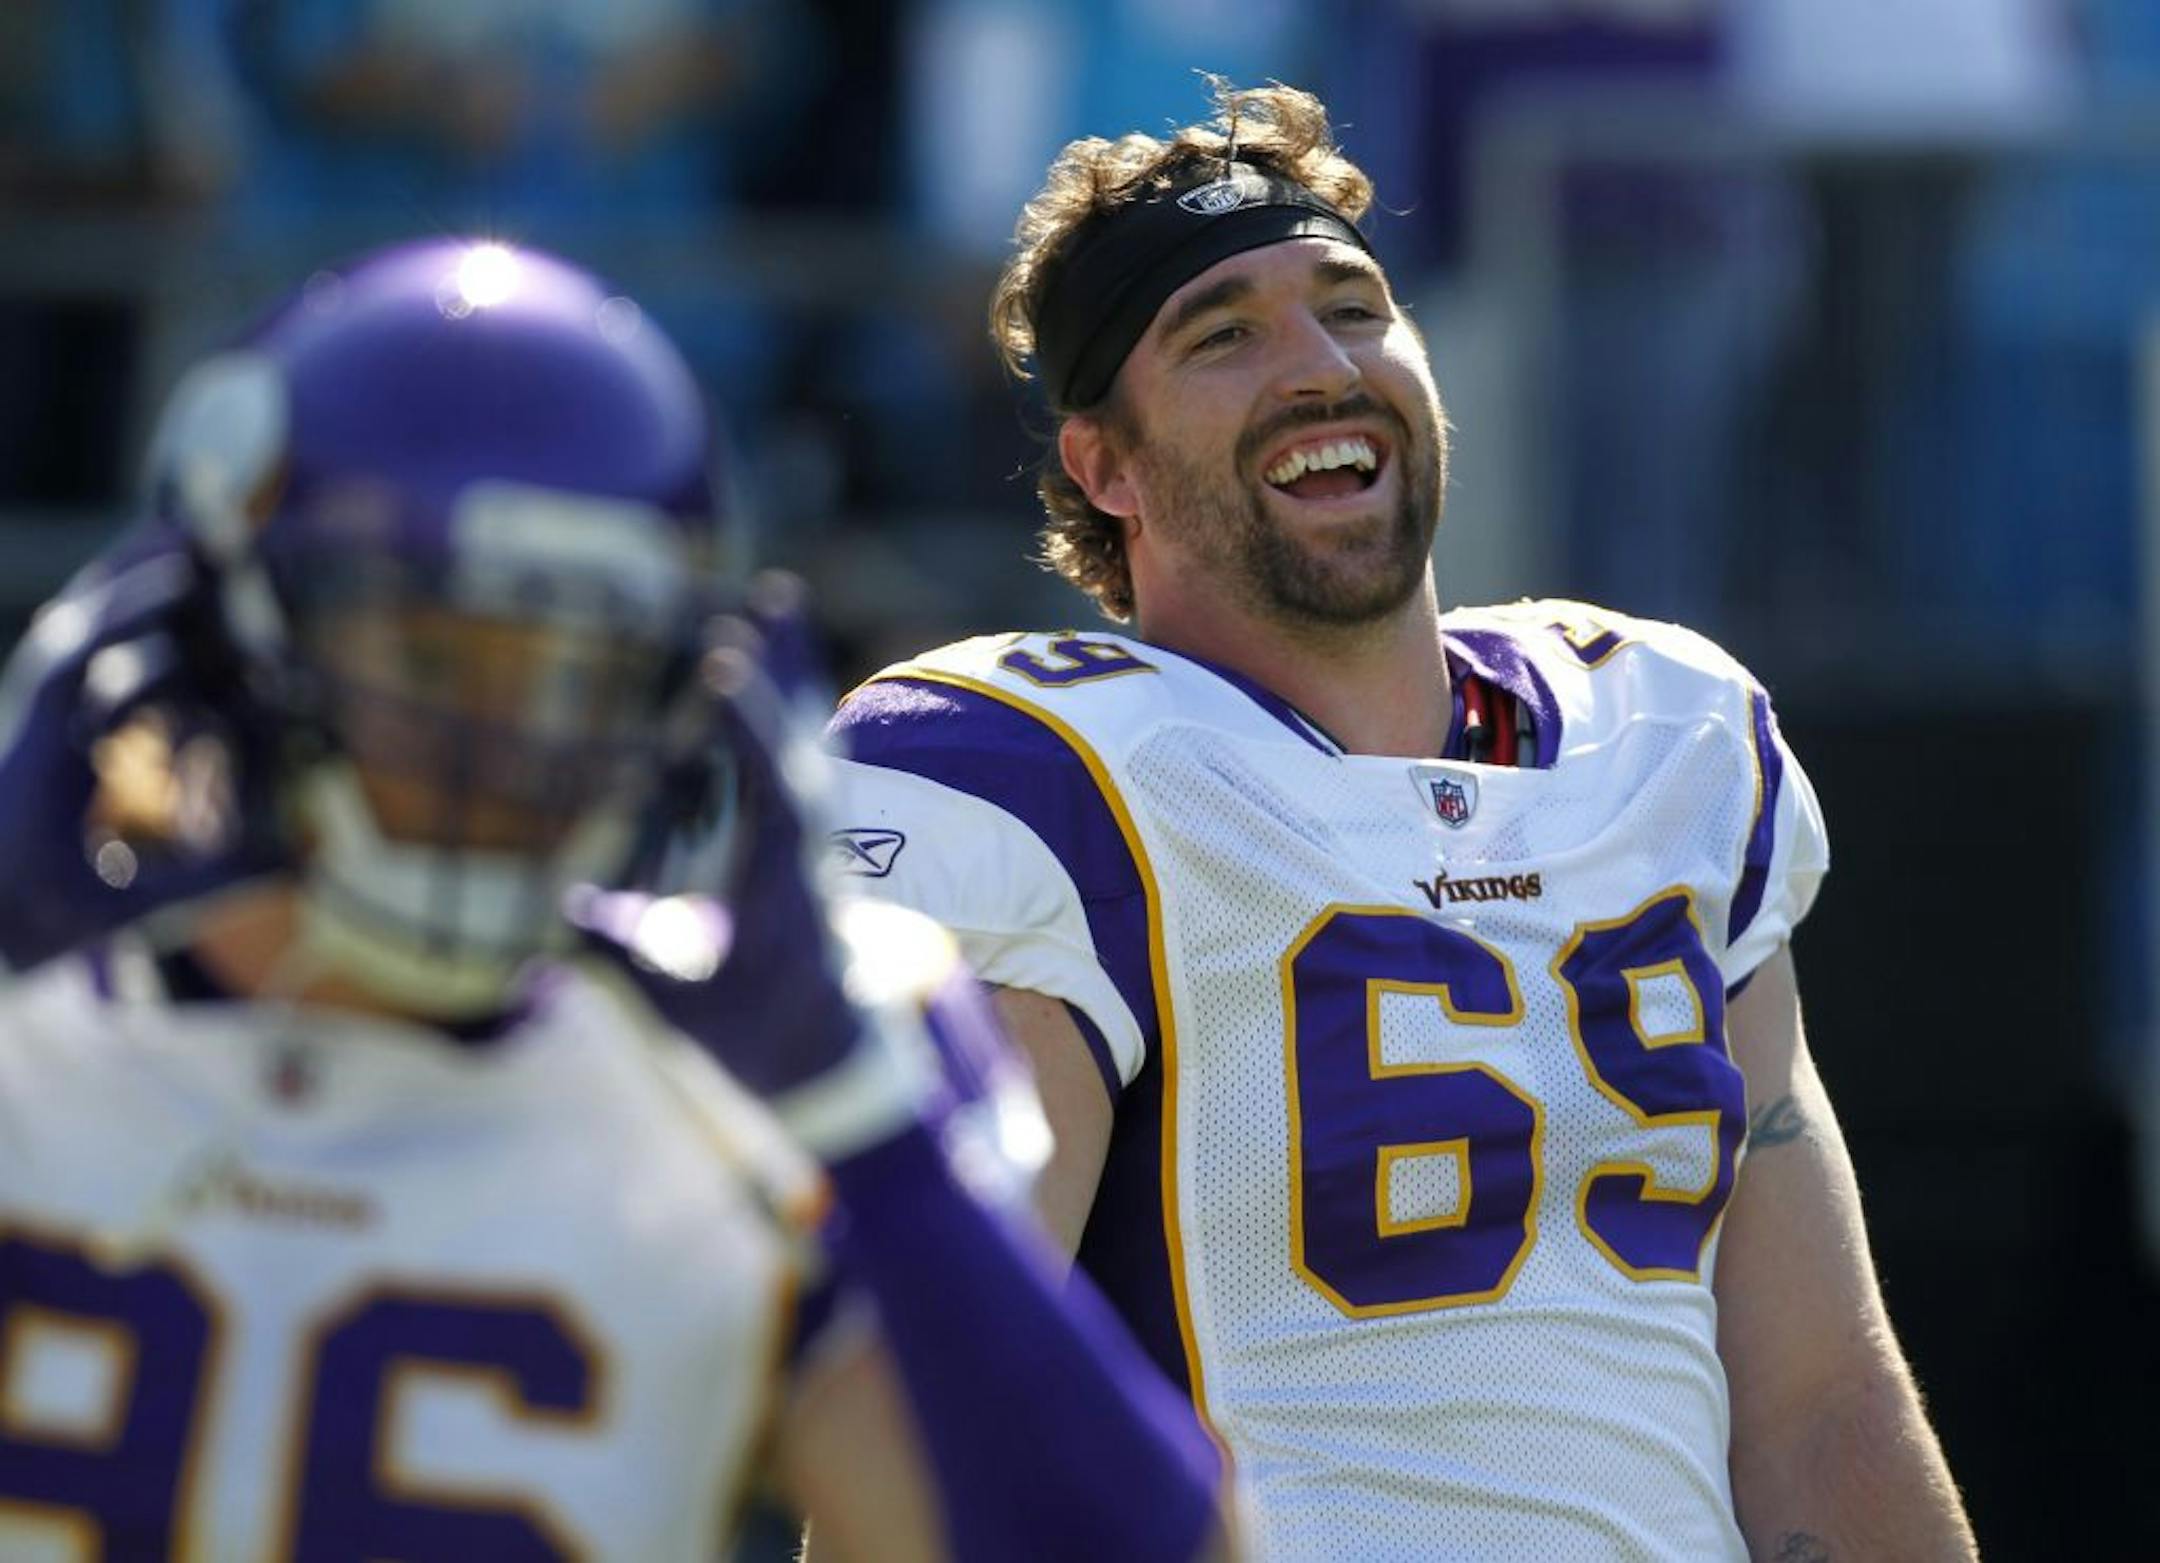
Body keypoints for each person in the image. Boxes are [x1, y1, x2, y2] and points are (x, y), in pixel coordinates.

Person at [828, 81, 1978, 1560]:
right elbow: (948, 1437)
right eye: (1223, 335)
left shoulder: (1668, 740)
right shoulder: (1052, 777)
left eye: (1354, 308)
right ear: (1103, 465)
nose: (1318, 366)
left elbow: (1823, 1406)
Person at [0, 238, 1234, 1561]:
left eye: (575, 673)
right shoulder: (41, 1030)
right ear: (231, 627)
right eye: (429, 652)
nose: (505, 743)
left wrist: (874, 1140)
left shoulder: (766, 1093)